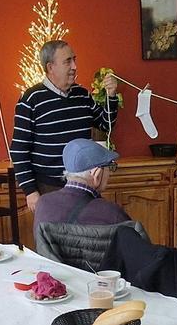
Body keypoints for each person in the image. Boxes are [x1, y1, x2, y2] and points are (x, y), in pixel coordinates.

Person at [11, 40, 119, 213]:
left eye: (74, 60)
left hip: (84, 186)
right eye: (68, 61)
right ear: (50, 67)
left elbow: (106, 124)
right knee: (54, 239)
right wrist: (30, 191)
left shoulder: (83, 95)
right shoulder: (31, 100)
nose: (75, 66)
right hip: (48, 188)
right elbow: (18, 150)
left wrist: (111, 96)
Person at [33, 138, 130, 228]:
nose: (110, 174)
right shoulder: (111, 213)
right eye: (110, 167)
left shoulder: (43, 204)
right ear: (96, 173)